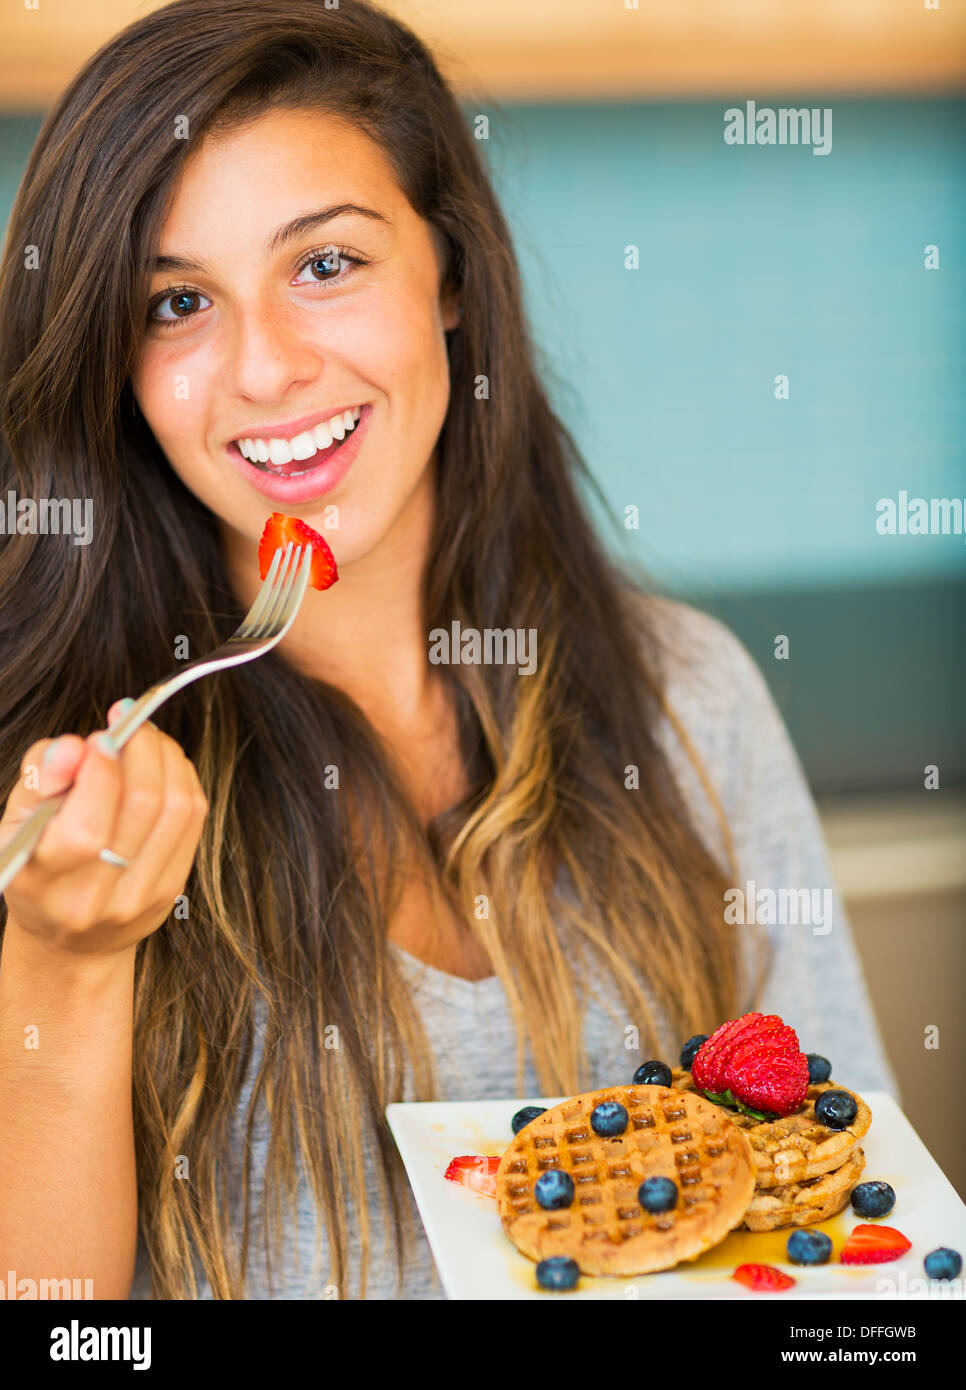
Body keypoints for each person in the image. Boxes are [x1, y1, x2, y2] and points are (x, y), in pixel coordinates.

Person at [0, 0, 897, 1301]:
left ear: (453, 278)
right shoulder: (55, 791)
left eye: (325, 266)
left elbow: (844, 1235)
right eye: (179, 302)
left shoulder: (687, 697)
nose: (263, 368)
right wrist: (66, 965)